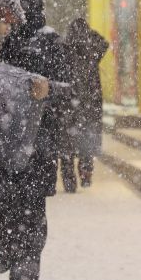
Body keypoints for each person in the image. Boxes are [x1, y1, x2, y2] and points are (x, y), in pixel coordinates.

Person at [0, 0, 69, 280]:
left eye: (7, 6)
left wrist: (49, 91)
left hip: (36, 145)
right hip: (3, 145)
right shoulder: (6, 42)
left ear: (25, 5)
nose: (1, 13)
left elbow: (70, 91)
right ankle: (9, 256)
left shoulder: (49, 42)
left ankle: (27, 278)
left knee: (30, 214)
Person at [59, 18, 109, 191]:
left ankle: (68, 178)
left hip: (70, 102)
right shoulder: (93, 49)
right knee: (87, 138)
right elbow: (104, 43)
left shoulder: (65, 49)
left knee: (67, 142)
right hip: (90, 101)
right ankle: (86, 173)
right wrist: (89, 34)